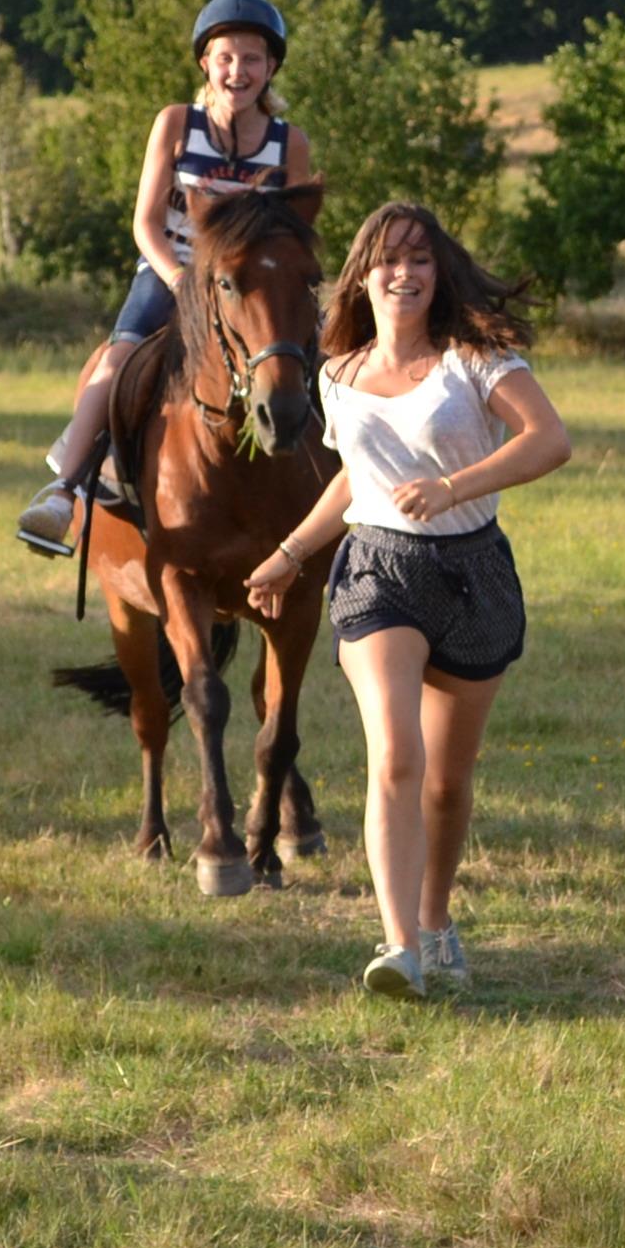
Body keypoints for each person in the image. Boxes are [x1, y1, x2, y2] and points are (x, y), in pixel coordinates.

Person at [246, 202, 568, 999]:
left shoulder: (476, 359)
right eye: (389, 259)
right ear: (362, 273)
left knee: (446, 783)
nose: (405, 273)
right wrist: (288, 555)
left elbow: (548, 441)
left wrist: (456, 485)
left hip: (472, 573)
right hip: (376, 573)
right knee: (395, 756)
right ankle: (399, 950)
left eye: (421, 259)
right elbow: (359, 477)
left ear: (439, 273)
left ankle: (434, 919)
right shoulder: (339, 373)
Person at [14, 0, 319, 554]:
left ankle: (347, 485)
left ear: (271, 67)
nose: (238, 71)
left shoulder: (288, 143)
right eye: (225, 57)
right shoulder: (176, 124)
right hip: (172, 270)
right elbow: (145, 222)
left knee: (313, 358)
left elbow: (293, 229)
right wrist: (181, 282)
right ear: (205, 63)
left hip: (251, 283)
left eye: (252, 59)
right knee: (120, 356)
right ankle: (66, 489)